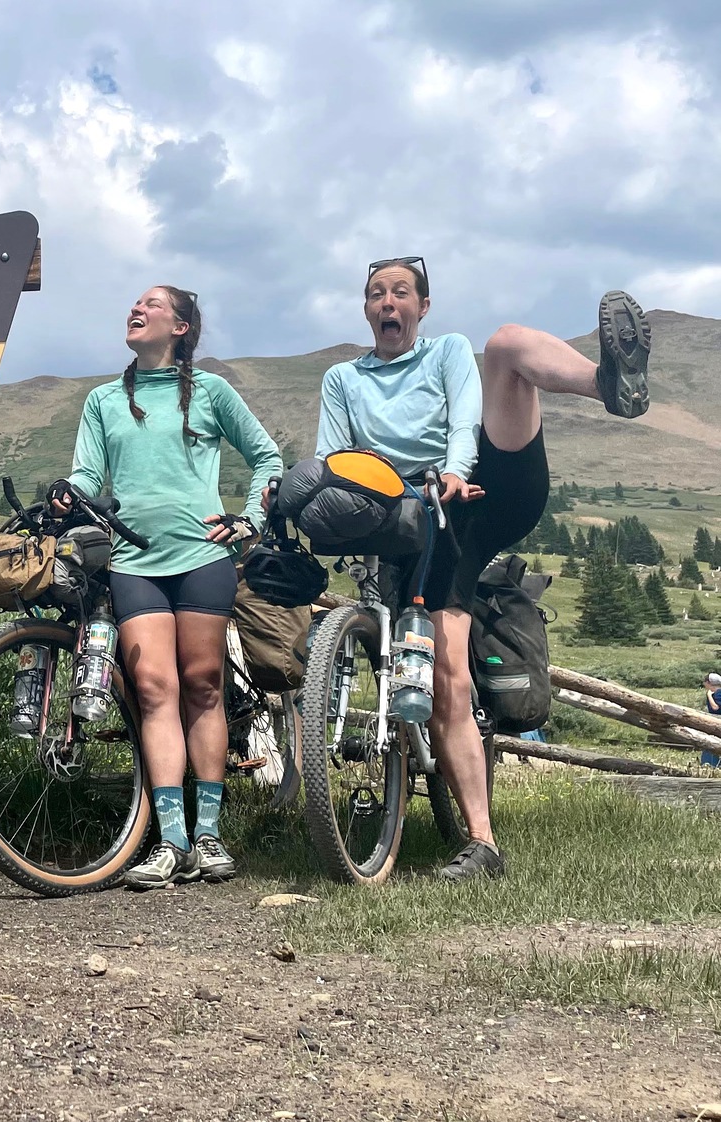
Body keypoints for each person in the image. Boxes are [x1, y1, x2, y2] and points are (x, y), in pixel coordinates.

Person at [316, 257, 651, 880]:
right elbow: (333, 456)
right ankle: (464, 820)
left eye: (401, 293)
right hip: (401, 517)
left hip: (476, 493)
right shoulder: (342, 379)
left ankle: (607, 383)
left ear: (422, 307)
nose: (388, 303)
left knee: (505, 345)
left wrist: (456, 472)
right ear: (366, 311)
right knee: (438, 675)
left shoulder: (444, 352)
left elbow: (468, 417)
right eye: (376, 295)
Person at [53, 285, 282, 890]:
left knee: (202, 684)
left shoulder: (210, 392)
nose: (136, 308)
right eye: (133, 301)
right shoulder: (104, 400)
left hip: (203, 555)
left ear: (180, 327)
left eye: (151, 304)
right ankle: (171, 840)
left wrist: (250, 520)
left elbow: (267, 458)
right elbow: (87, 473)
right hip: (133, 560)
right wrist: (68, 491)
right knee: (155, 689)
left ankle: (209, 834)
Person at [703, 672, 721, 767]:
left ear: (709, 683)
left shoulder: (718, 693)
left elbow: (715, 708)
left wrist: (709, 696)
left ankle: (711, 765)